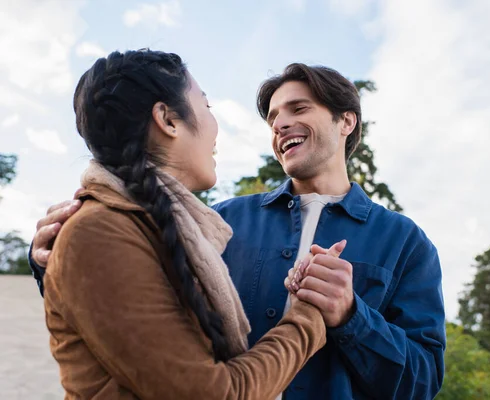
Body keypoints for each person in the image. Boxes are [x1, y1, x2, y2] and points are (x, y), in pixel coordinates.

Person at [31, 62, 446, 399]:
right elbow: (130, 319)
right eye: (272, 118)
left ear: (346, 122)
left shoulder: (407, 243)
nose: (280, 124)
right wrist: (51, 262)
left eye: (298, 109)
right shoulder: (213, 223)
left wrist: (352, 316)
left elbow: (422, 383)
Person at [36, 49, 334, 399]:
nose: (213, 125)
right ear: (168, 120)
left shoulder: (180, 227)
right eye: (206, 106)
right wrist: (310, 316)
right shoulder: (100, 231)